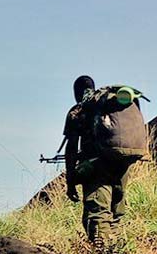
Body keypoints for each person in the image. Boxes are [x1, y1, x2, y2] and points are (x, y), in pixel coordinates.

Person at [62, 75, 150, 243]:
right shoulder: (110, 105)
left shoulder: (79, 110)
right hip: (124, 163)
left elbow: (71, 147)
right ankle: (118, 253)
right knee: (116, 211)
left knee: (98, 212)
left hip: (98, 165)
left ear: (77, 92)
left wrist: (70, 180)